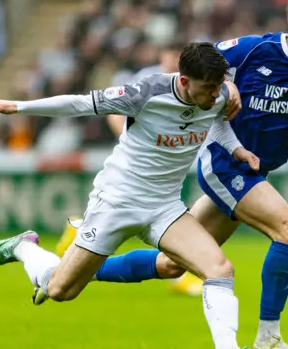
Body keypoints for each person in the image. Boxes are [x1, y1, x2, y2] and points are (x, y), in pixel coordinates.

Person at [57, 0, 288, 348]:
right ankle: (268, 338)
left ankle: (81, 263)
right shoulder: (251, 50)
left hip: (255, 173)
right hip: (225, 162)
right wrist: (226, 83)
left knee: (172, 265)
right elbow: (199, 65)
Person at [0, 42, 258, 349]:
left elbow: (218, 122)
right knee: (60, 289)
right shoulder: (145, 93)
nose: (214, 94)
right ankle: (24, 247)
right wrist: (20, 107)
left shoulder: (217, 95)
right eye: (208, 88)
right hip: (116, 202)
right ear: (183, 81)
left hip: (165, 207)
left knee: (219, 269)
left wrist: (237, 149)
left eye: (218, 87)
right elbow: (79, 104)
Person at [55, 41, 204, 296]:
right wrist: (130, 137)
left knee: (157, 210)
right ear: (162, 56)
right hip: (142, 158)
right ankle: (178, 272)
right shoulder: (146, 78)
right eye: (171, 57)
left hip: (171, 155)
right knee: (156, 211)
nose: (174, 64)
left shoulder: (188, 84)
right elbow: (114, 110)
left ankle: (78, 231)